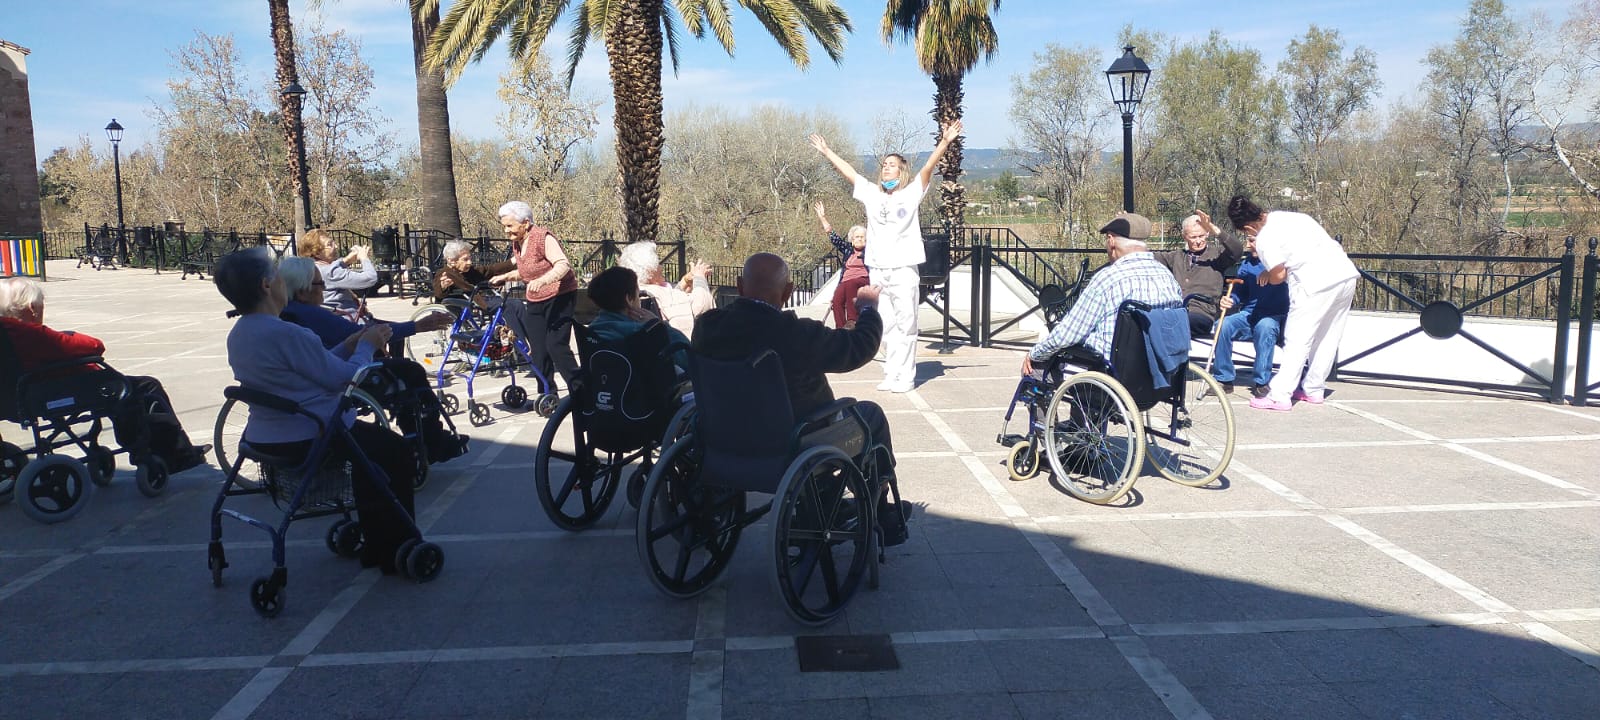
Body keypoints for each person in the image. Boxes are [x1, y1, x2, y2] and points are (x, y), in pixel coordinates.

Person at [213, 247, 422, 574]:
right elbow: (344, 378)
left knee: (374, 456)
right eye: (279, 276)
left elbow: (310, 367)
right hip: (311, 432)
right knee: (394, 452)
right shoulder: (286, 332)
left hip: (264, 435)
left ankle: (376, 538)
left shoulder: (241, 333)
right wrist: (367, 346)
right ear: (268, 286)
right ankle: (393, 546)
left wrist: (350, 344)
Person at [692, 252, 908, 543]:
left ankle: (824, 499)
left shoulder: (708, 327)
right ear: (788, 292)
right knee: (870, 415)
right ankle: (878, 510)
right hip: (791, 443)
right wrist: (868, 310)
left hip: (723, 438)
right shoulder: (795, 333)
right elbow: (858, 347)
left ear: (740, 286)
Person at [809, 120, 963, 393]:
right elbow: (850, 174)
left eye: (891, 164)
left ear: (901, 171)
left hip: (903, 268)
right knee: (887, 323)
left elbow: (928, 168)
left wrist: (945, 142)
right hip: (879, 269)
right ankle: (892, 372)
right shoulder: (872, 194)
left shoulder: (911, 193)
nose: (886, 167)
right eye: (883, 164)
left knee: (906, 323)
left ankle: (906, 376)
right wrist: (827, 151)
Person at [0, 277, 211, 475]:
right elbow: (94, 345)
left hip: (15, 398)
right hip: (56, 391)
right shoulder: (29, 334)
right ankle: (174, 454)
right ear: (32, 308)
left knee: (125, 387)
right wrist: (69, 336)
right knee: (145, 387)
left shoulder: (7, 332)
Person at [1227, 195, 1359, 411]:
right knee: (1328, 335)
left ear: (1248, 227)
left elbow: (1278, 275)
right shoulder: (1292, 217)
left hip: (1313, 283)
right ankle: (1313, 388)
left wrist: (1266, 275)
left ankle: (1280, 395)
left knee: (1297, 340)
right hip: (1344, 274)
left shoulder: (1264, 238)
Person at [1023, 213, 1184, 376]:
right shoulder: (1167, 276)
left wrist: (1034, 353)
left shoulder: (1108, 278)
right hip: (1160, 372)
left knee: (1033, 372)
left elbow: (1067, 334)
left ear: (1111, 240)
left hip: (1111, 373)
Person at [483, 201, 579, 394]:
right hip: (536, 298)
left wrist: (543, 281)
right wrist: (506, 276)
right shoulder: (517, 243)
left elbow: (562, 265)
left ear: (525, 223)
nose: (506, 231)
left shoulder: (543, 237)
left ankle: (580, 389)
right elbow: (527, 270)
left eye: (509, 226)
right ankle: (546, 394)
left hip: (561, 296)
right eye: (504, 226)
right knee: (538, 349)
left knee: (556, 346)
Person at [279, 256, 450, 357]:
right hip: (339, 375)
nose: (324, 288)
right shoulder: (311, 314)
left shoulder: (287, 311)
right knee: (412, 372)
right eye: (320, 284)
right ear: (302, 292)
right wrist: (417, 326)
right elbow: (359, 335)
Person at [1209, 232, 1290, 398]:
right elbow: (1240, 291)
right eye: (1248, 240)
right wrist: (1230, 299)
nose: (1248, 245)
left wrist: (1273, 273)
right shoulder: (1247, 264)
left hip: (1274, 315)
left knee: (1265, 327)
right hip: (1249, 314)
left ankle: (1262, 381)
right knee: (1222, 325)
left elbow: (1290, 275)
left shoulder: (1282, 263)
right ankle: (1224, 379)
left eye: (1252, 241)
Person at [1153, 212, 1244, 336]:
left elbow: (1237, 250)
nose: (1198, 241)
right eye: (1193, 237)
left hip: (1202, 314)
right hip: (1176, 311)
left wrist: (1215, 229)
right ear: (1184, 236)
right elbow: (1144, 256)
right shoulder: (1176, 257)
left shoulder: (1217, 256)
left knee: (1175, 322)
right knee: (1151, 319)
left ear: (1207, 233)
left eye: (1201, 236)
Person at [585, 266, 690, 371]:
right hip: (647, 385)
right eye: (637, 294)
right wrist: (659, 325)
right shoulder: (644, 332)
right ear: (629, 299)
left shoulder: (592, 331)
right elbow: (688, 357)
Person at [615, 241, 713, 337]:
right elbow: (702, 307)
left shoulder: (634, 291)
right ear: (650, 271)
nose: (661, 267)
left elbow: (670, 304)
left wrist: (684, 282)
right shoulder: (660, 294)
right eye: (658, 263)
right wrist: (700, 277)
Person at [299, 228, 378, 322]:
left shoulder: (312, 268)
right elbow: (370, 278)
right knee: (399, 329)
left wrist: (347, 260)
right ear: (317, 252)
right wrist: (364, 257)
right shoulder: (330, 272)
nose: (336, 246)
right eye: (330, 244)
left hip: (335, 319)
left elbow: (332, 268)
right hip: (352, 323)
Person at [813, 201, 870, 330]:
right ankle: (841, 328)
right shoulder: (848, 250)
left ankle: (852, 320)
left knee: (850, 284)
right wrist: (822, 218)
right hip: (845, 282)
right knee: (837, 299)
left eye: (862, 237)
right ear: (852, 240)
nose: (860, 239)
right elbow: (834, 237)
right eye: (857, 237)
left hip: (863, 280)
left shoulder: (870, 251)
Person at [431, 240, 516, 307]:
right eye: (465, 259)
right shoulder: (444, 273)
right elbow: (438, 293)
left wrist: (513, 261)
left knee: (515, 304)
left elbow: (490, 269)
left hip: (476, 303)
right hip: (464, 306)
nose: (470, 262)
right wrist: (443, 286)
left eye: (470, 258)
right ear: (451, 260)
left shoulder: (469, 271)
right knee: (514, 305)